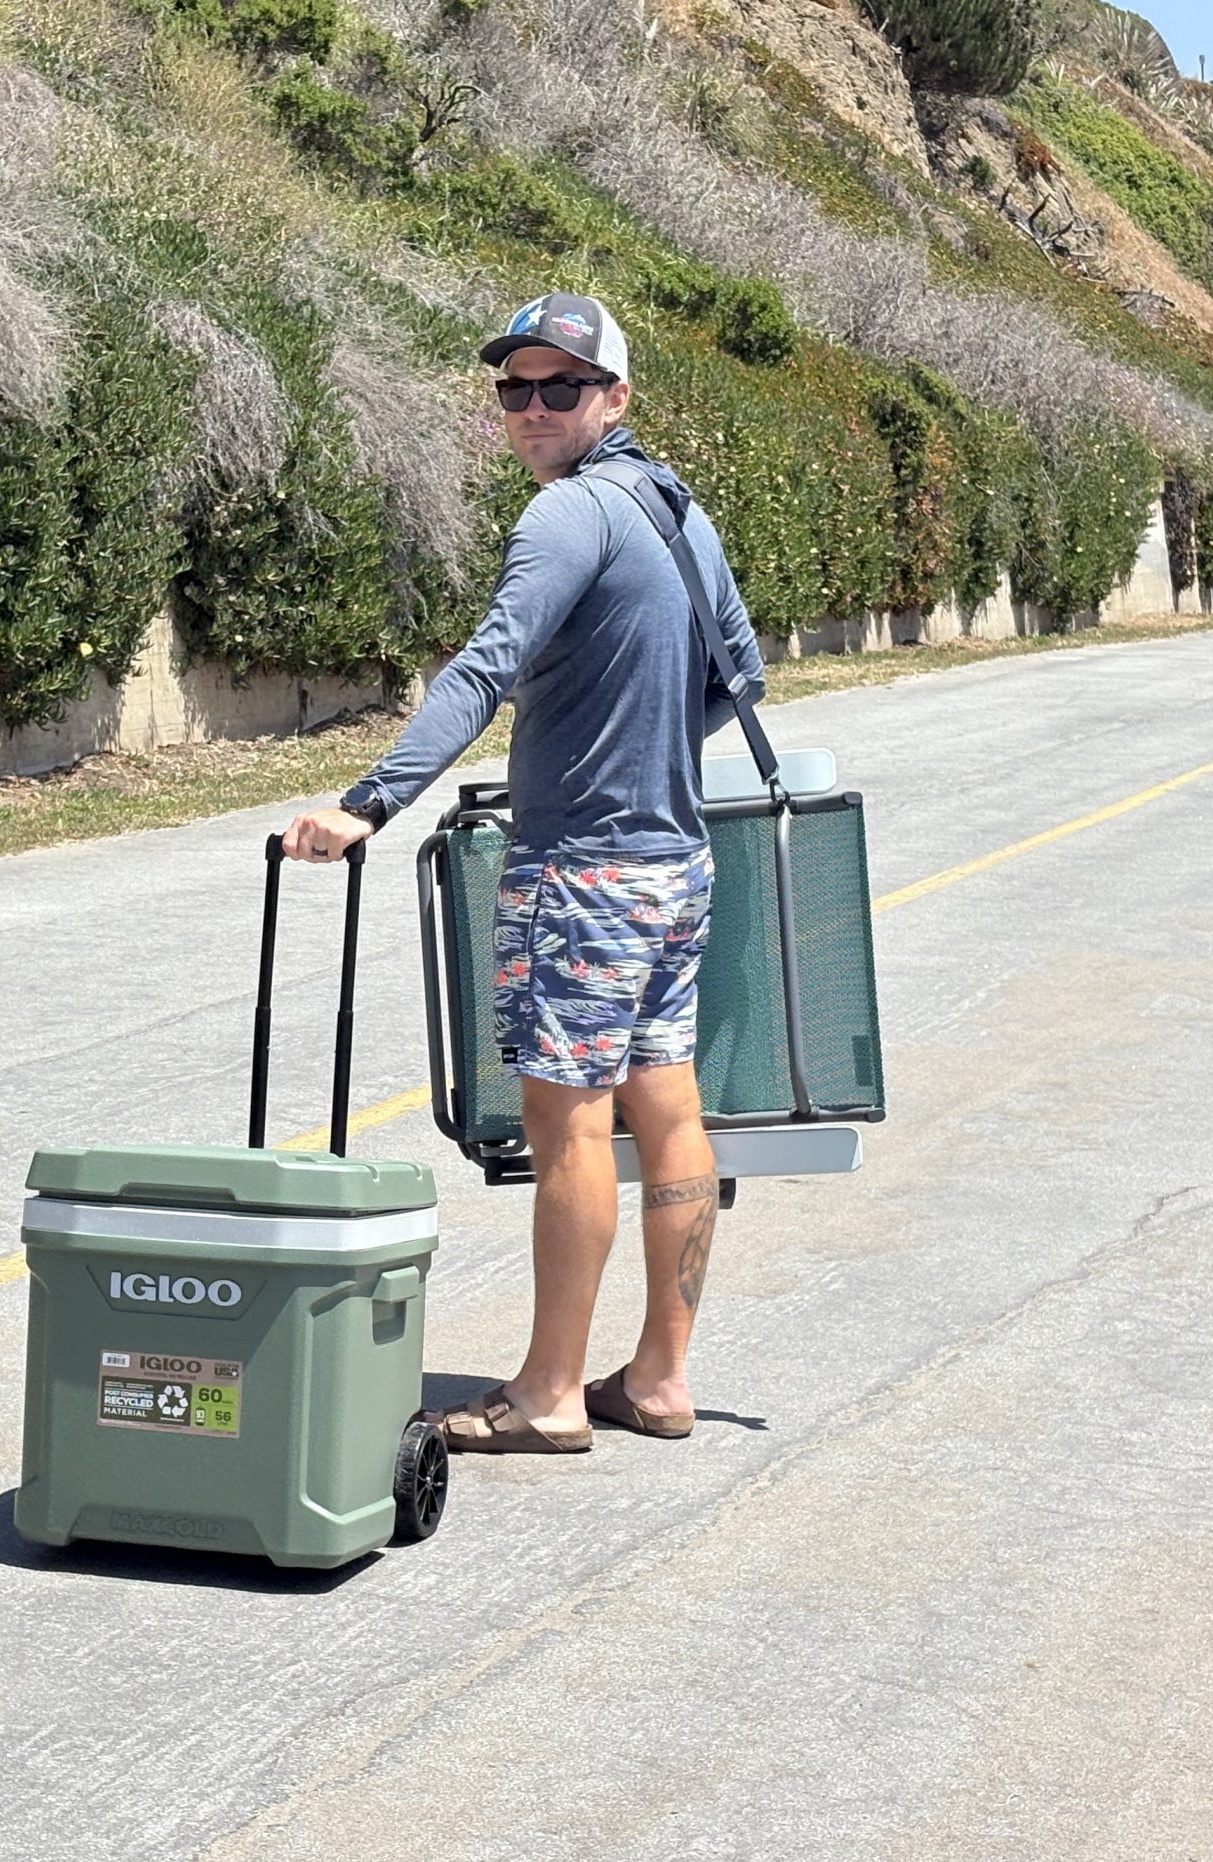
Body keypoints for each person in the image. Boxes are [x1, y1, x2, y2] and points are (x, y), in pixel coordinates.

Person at [281, 292, 768, 1455]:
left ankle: (549, 1394)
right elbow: (735, 672)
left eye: (562, 386)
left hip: (585, 876)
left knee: (570, 1129)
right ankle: (657, 1378)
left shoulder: (567, 517)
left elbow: (483, 667)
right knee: (668, 1110)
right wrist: (638, 745)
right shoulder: (674, 509)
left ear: (615, 397)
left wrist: (368, 805)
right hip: (670, 865)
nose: (533, 408)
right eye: (515, 388)